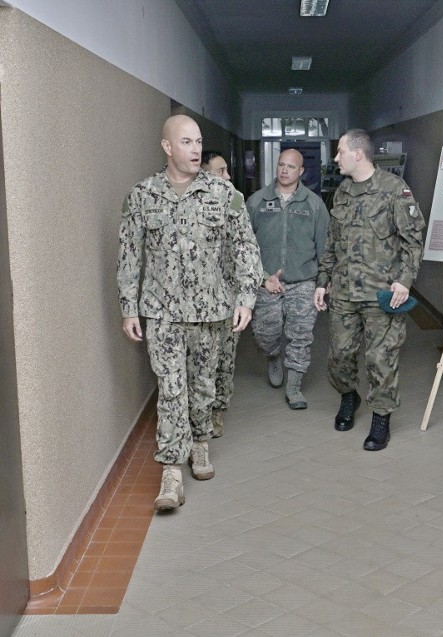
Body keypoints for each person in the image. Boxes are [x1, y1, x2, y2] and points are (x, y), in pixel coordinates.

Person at [118, 115, 261, 511]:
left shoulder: (223, 193)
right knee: (170, 389)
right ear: (167, 147)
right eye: (186, 142)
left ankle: (200, 444)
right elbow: (129, 256)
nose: (196, 149)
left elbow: (246, 248)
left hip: (210, 311)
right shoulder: (143, 195)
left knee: (201, 389)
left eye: (199, 141)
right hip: (161, 312)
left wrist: (246, 298)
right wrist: (129, 306)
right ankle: (171, 474)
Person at [313, 129, 425, 451]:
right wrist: (323, 282)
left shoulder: (394, 190)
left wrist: (404, 280)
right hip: (344, 292)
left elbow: (412, 240)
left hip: (381, 295)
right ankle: (349, 396)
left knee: (381, 358)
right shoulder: (342, 193)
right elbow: (332, 244)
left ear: (358, 154)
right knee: (339, 355)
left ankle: (381, 418)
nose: (336, 159)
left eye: (340, 152)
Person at [246, 148, 329, 409]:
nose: (284, 170)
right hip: (267, 282)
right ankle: (272, 357)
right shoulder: (257, 201)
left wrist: (323, 283)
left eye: (291, 166)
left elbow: (326, 248)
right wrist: (261, 277)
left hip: (303, 281)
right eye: (281, 165)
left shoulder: (314, 204)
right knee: (264, 334)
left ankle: (294, 387)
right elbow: (244, 246)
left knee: (301, 336)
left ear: (301, 171)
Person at [200, 151, 243, 438]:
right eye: (220, 171)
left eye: (228, 170)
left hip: (229, 297)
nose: (227, 177)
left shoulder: (231, 204)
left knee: (225, 360)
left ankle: (217, 411)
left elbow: (246, 249)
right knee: (202, 363)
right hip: (200, 303)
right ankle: (198, 416)